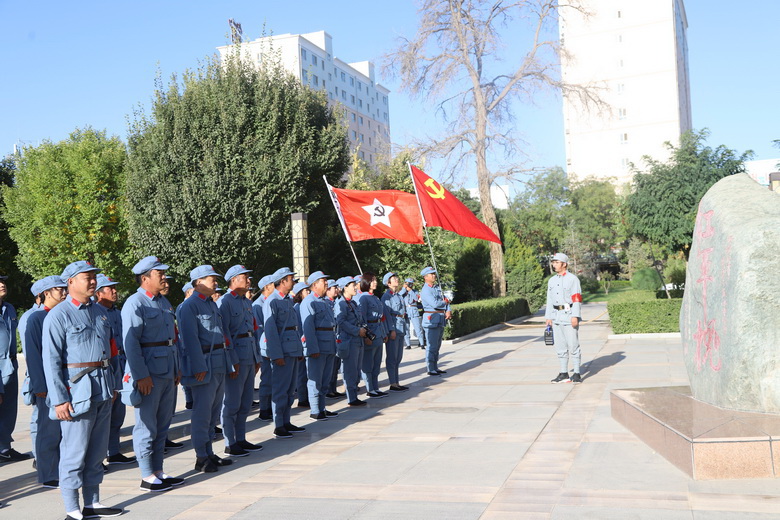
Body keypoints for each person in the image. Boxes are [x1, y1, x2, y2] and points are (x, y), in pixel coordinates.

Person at [43, 261, 123, 520]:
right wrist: (59, 399)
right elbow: (51, 361)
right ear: (70, 282)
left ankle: (93, 502)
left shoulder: (98, 311)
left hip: (102, 388)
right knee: (74, 452)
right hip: (77, 393)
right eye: (86, 277)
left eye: (93, 277)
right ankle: (72, 508)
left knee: (98, 451)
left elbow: (109, 352)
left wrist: (113, 386)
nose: (92, 281)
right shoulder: (59, 314)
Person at [121, 256, 184, 491]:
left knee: (163, 423)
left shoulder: (163, 303)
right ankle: (147, 475)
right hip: (150, 372)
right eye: (159, 274)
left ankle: (158, 470)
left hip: (168, 370)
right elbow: (132, 344)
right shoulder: (135, 303)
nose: (164, 277)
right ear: (145, 278)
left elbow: (172, 340)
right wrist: (141, 375)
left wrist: (177, 368)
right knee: (146, 425)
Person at [179, 265, 239, 472]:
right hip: (204, 364)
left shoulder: (211, 304)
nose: (216, 282)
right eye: (212, 279)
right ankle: (201, 457)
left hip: (218, 361)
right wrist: (198, 366)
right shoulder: (190, 306)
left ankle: (209, 453)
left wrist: (229, 361)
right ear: (199, 282)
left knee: (213, 414)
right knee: (202, 414)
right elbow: (189, 339)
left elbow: (221, 335)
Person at [21, 275, 67, 488]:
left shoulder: (62, 314)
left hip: (63, 380)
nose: (64, 292)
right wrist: (40, 386)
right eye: (59, 289)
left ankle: (61, 468)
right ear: (46, 293)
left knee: (63, 431)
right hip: (46, 385)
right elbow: (33, 355)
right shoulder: (35, 318)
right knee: (47, 430)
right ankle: (47, 474)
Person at [217, 265, 263, 457]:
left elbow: (252, 331)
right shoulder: (225, 302)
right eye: (245, 277)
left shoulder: (246, 302)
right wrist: (231, 360)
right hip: (236, 357)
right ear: (234, 280)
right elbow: (224, 333)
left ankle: (241, 438)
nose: (249, 281)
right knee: (232, 403)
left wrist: (257, 357)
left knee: (245, 402)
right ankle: (230, 442)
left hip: (249, 354)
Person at [94, 274, 136, 467]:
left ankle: (114, 451)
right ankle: (97, 457)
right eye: (110, 288)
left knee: (117, 413)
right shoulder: (94, 312)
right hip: (105, 366)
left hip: (120, 364)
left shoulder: (117, 313)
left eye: (114, 288)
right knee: (101, 417)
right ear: (98, 293)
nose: (114, 291)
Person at [262, 267, 306, 439]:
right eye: (290, 279)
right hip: (283, 351)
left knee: (289, 389)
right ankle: (278, 424)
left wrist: (299, 350)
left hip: (292, 349)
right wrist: (276, 354)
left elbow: (295, 329)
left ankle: (286, 421)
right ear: (282, 281)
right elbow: (271, 331)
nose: (293, 282)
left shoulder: (287, 300)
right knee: (280, 389)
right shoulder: (271, 301)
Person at [299, 271, 338, 421]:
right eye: (323, 281)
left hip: (329, 343)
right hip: (318, 345)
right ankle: (315, 410)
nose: (326, 284)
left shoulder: (324, 301)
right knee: (315, 379)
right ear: (315, 285)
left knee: (325, 379)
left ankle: (322, 408)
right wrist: (312, 348)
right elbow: (308, 328)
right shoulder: (308, 302)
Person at [0, 273, 30, 464]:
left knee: (9, 409)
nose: (2, 285)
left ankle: (4, 447)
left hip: (9, 364)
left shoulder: (9, 308)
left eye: (3, 281)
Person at [545, 253, 583, 384]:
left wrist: (575, 316)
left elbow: (577, 298)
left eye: (556, 262)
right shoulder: (552, 280)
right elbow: (549, 300)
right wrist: (548, 316)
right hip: (556, 316)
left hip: (569, 314)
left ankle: (577, 373)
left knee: (573, 345)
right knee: (560, 346)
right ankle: (563, 373)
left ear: (564, 264)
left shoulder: (573, 279)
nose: (554, 264)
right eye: (553, 262)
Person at [334, 276, 368, 406]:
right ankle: (351, 397)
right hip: (348, 341)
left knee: (357, 369)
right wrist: (356, 330)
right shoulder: (341, 304)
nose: (355, 287)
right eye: (352, 285)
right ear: (345, 288)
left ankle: (354, 395)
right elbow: (341, 322)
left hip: (358, 340)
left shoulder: (352, 303)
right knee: (349, 370)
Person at [357, 272, 389, 398]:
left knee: (376, 362)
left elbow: (381, 318)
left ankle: (376, 387)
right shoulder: (363, 298)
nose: (375, 282)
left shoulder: (375, 298)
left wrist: (384, 332)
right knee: (368, 363)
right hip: (371, 332)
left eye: (375, 280)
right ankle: (370, 389)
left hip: (379, 331)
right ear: (366, 282)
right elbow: (362, 318)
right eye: (372, 280)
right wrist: (366, 336)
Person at [420, 267, 451, 376]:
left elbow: (446, 300)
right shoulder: (426, 290)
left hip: (439, 318)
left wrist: (448, 310)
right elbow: (436, 304)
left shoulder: (437, 288)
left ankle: (435, 366)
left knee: (437, 345)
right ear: (425, 277)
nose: (434, 276)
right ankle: (430, 367)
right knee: (431, 345)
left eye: (434, 274)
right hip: (431, 319)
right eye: (431, 274)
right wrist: (445, 302)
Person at [252, 275, 275, 422]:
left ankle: (271, 407)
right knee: (266, 379)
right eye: (274, 284)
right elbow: (259, 330)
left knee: (274, 379)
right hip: (265, 348)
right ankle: (264, 409)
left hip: (274, 347)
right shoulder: (257, 305)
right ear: (267, 287)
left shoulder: (271, 301)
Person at [381, 272, 408, 392]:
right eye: (394, 279)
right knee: (392, 357)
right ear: (388, 283)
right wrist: (391, 329)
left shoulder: (398, 295)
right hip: (394, 328)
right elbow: (387, 315)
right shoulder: (386, 297)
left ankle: (397, 382)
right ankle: (392, 383)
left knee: (398, 357)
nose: (397, 280)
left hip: (401, 326)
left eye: (396, 278)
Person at [324, 280, 345, 398]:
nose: (337, 290)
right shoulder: (326, 303)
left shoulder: (335, 302)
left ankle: (332, 388)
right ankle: (328, 390)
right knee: (330, 367)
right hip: (332, 336)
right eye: (334, 288)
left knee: (335, 365)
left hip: (336, 336)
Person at [292, 281, 310, 408]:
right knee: (302, 373)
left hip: (306, 342)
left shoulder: (305, 305)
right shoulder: (297, 308)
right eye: (305, 291)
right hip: (301, 343)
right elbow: (298, 328)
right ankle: (303, 398)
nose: (308, 292)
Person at [401, 278, 425, 350]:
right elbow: (399, 296)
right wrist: (404, 288)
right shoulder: (403, 292)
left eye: (410, 283)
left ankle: (422, 343)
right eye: (408, 283)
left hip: (414, 310)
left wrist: (410, 290)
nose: (409, 285)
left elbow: (416, 299)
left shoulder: (415, 291)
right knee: (406, 329)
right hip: (406, 311)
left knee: (418, 328)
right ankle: (408, 344)